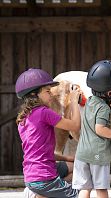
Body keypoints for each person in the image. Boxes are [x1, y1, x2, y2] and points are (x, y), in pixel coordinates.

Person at [72, 60, 111, 198]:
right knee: (101, 189)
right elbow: (100, 129)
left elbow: (105, 92)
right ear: (109, 91)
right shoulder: (104, 108)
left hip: (81, 154)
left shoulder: (90, 101)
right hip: (97, 155)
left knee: (84, 189)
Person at [15, 68, 82, 198]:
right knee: (81, 194)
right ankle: (40, 193)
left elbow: (41, 152)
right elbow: (75, 125)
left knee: (74, 169)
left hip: (31, 176)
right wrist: (74, 101)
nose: (51, 94)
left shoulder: (23, 119)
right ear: (35, 95)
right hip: (44, 178)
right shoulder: (44, 113)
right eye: (47, 91)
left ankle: (39, 193)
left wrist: (70, 158)